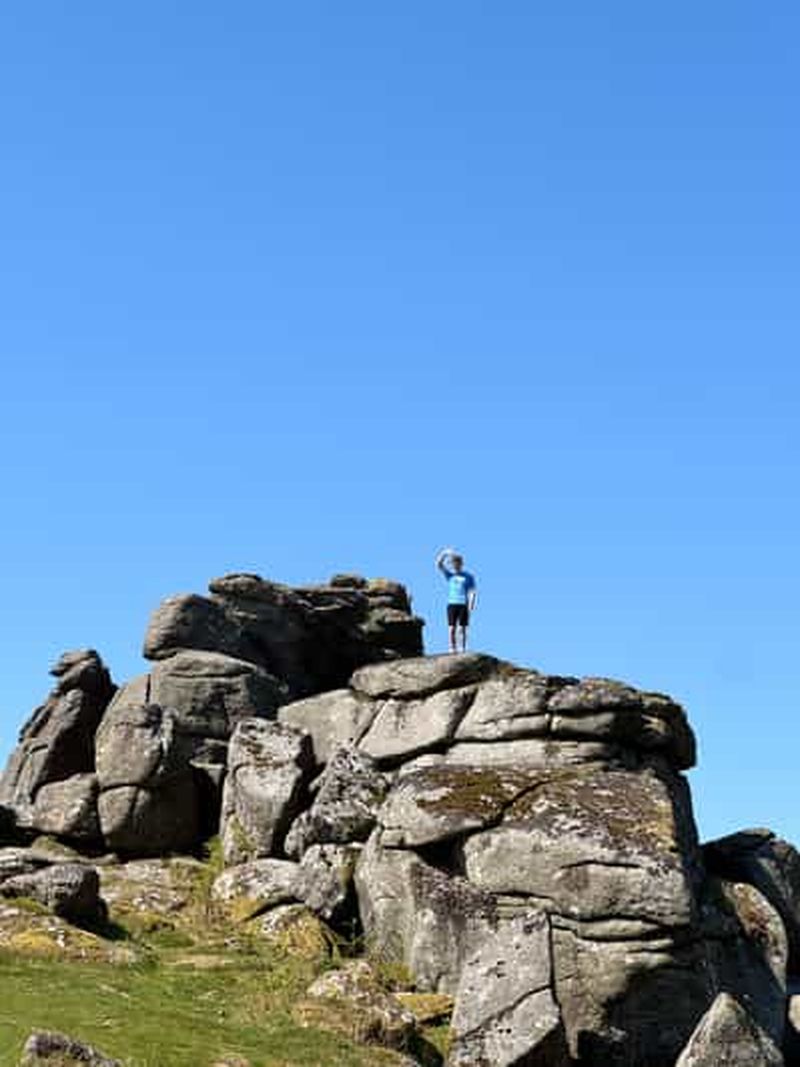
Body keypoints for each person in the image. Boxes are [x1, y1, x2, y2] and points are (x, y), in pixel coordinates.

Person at [435, 547, 477, 653]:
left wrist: (471, 604)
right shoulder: (450, 576)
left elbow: (472, 591)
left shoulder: (468, 576)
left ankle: (462, 648)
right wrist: (445, 553)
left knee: (462, 628)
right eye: (454, 563)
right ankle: (452, 648)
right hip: (452, 603)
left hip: (463, 603)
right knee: (451, 628)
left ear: (461, 564)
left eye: (458, 563)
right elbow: (438, 565)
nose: (456, 565)